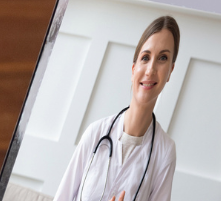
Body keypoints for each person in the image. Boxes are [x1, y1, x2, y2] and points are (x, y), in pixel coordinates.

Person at [53, 17, 179, 201]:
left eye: (162, 58)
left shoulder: (165, 151)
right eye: (145, 57)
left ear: (170, 72)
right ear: (133, 69)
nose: (151, 69)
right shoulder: (95, 133)